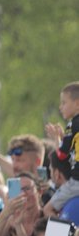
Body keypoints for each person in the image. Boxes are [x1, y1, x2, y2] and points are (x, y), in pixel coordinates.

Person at [43, 82, 79, 218]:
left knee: (48, 209)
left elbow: (62, 156)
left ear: (77, 103)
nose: (60, 107)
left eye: (64, 103)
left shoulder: (72, 124)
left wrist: (57, 139)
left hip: (77, 182)